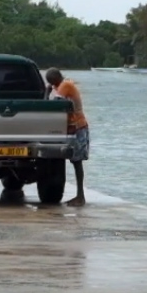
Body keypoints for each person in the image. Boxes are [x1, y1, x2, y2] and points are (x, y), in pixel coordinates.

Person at [44, 68, 90, 206]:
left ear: (55, 80)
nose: (52, 86)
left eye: (51, 82)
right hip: (75, 127)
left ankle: (80, 196)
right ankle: (79, 195)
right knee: (76, 161)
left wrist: (46, 93)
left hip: (78, 127)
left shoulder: (65, 86)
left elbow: (53, 106)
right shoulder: (64, 85)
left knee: (77, 162)